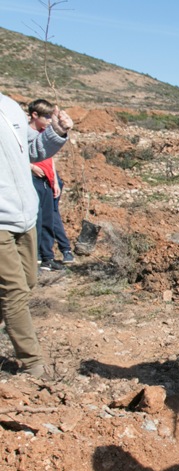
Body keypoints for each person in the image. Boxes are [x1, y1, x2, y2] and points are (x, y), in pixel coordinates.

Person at [1, 91, 73, 378]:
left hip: (24, 215)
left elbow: (31, 150)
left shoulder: (9, 106)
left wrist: (56, 131)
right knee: (14, 291)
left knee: (28, 281)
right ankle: (33, 364)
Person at [28, 99, 73, 270]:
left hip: (47, 180)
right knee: (36, 221)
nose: (48, 120)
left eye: (49, 116)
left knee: (48, 218)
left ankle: (47, 257)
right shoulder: (25, 133)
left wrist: (54, 179)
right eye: (45, 116)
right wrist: (30, 167)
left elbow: (49, 158)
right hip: (33, 180)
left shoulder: (44, 134)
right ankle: (36, 259)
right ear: (34, 115)